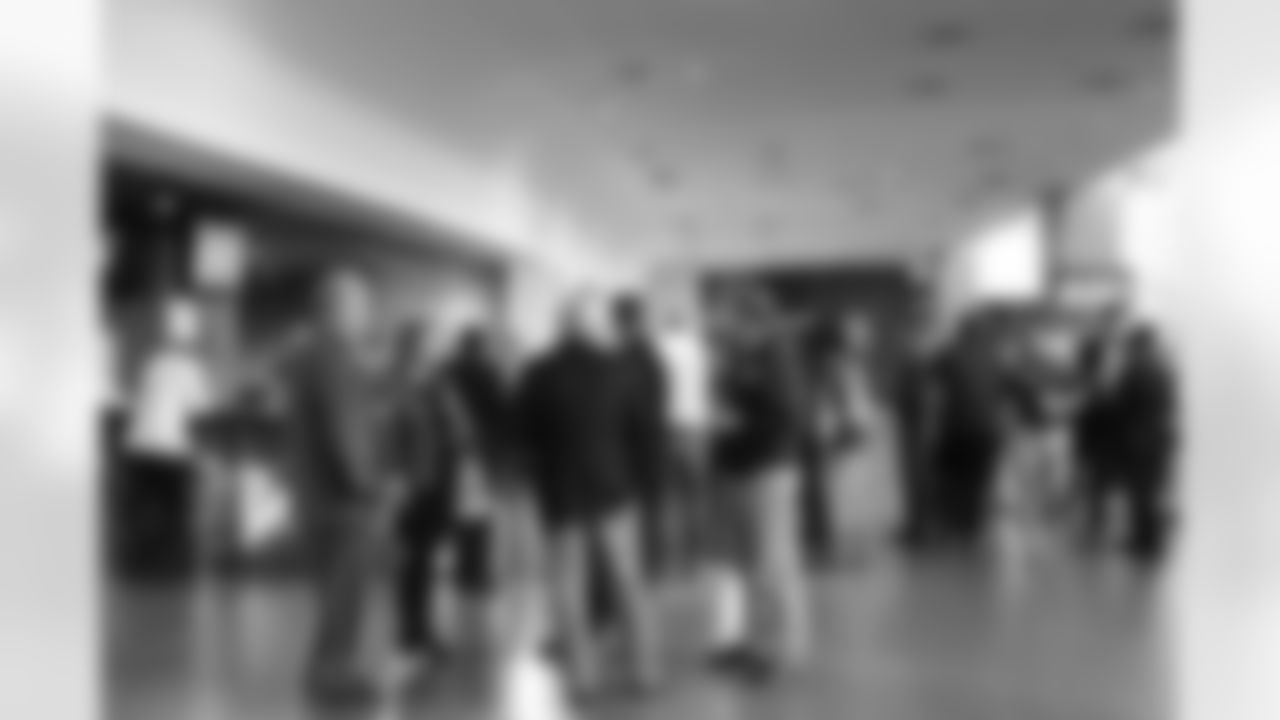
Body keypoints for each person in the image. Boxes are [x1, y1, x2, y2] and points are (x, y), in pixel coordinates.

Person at [517, 292, 658, 695]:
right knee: (628, 579)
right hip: (614, 488)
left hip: (560, 491)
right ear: (596, 326)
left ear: (561, 326)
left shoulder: (539, 372)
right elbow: (641, 430)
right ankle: (643, 670)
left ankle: (582, 676)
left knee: (568, 585)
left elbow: (522, 432)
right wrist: (642, 481)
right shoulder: (619, 368)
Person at [282, 270, 401, 699]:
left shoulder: (310, 353)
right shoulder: (334, 354)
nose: (367, 314)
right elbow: (344, 428)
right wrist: (370, 485)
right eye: (362, 305)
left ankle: (331, 669)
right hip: (342, 501)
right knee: (345, 593)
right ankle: (331, 674)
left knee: (336, 593)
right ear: (340, 309)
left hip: (318, 495)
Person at [708, 287, 811, 677]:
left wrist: (737, 425)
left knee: (773, 563)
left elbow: (788, 416)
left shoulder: (776, 355)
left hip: (767, 469)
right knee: (749, 564)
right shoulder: (741, 356)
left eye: (726, 315)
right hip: (739, 469)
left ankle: (782, 650)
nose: (720, 322)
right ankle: (755, 643)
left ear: (748, 318)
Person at [121, 296, 212, 579]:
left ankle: (139, 567)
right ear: (191, 338)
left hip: (138, 448)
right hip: (171, 450)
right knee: (176, 510)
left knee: (144, 509)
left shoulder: (151, 364)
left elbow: (135, 400)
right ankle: (172, 570)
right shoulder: (191, 369)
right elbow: (202, 409)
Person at [612, 296, 673, 577]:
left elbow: (633, 404)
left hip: (640, 444)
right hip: (649, 441)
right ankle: (652, 562)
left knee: (646, 508)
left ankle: (651, 564)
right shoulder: (648, 354)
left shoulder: (633, 356)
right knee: (650, 507)